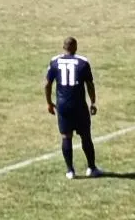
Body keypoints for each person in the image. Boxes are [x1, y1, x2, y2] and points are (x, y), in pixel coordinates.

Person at [44, 37, 102, 179]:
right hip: (79, 105)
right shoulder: (82, 62)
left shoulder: (55, 61)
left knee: (66, 136)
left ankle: (70, 171)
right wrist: (93, 102)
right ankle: (91, 168)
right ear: (75, 47)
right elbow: (90, 84)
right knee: (85, 136)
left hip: (63, 105)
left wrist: (49, 102)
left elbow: (47, 83)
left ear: (63, 47)